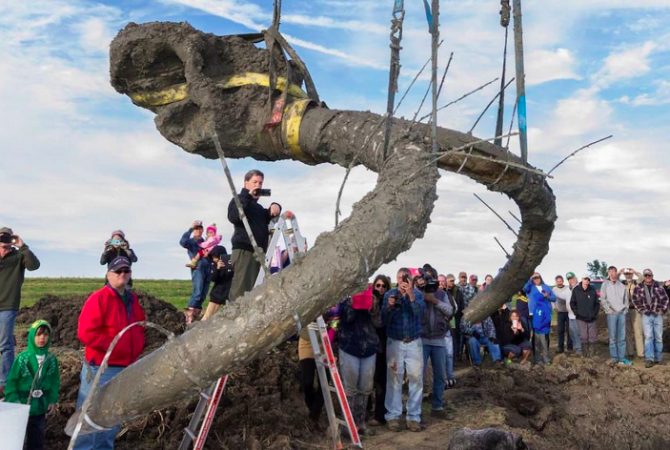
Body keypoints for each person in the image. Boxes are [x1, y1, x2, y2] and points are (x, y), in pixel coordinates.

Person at [73, 256, 145, 450]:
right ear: (108, 274)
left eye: (126, 271)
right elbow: (86, 332)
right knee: (90, 414)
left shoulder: (132, 300)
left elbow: (140, 325)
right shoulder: (99, 298)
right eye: (118, 271)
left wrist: (136, 346)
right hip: (101, 368)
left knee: (113, 416)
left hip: (126, 367)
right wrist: (113, 345)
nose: (122, 274)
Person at [4, 320, 59, 450]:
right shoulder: (23, 358)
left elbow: (54, 381)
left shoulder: (51, 359)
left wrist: (52, 400)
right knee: (17, 439)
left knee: (37, 439)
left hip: (40, 408)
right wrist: (14, 400)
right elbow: (12, 381)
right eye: (38, 334)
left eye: (46, 335)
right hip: (22, 407)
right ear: (32, 336)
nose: (42, 338)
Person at [382, 268, 425, 432]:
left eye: (405, 278)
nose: (402, 281)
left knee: (416, 379)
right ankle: (393, 416)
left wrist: (411, 295)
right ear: (396, 279)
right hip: (395, 342)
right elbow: (384, 320)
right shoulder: (390, 295)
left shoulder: (417, 294)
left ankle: (413, 417)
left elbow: (420, 313)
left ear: (411, 279)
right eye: (400, 278)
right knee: (394, 380)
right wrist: (390, 307)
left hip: (414, 342)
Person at [228, 170, 281, 301]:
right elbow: (234, 216)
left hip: (258, 252)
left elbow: (265, 217)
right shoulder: (239, 199)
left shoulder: (256, 207)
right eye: (254, 182)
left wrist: (275, 207)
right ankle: (234, 318)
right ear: (246, 184)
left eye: (260, 183)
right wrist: (247, 196)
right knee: (242, 291)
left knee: (254, 290)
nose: (258, 185)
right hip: (245, 250)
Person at [0, 227, 40, 392]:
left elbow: (34, 266)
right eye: (2, 237)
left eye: (7, 238)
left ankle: (5, 381)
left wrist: (23, 246)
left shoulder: (18, 255)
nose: (4, 241)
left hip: (8, 304)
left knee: (5, 344)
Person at [338, 290, 379, 437]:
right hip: (350, 346)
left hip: (369, 347)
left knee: (366, 388)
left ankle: (360, 423)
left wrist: (373, 308)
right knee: (350, 389)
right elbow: (345, 319)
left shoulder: (372, 297)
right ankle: (347, 426)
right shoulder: (344, 297)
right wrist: (353, 304)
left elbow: (378, 323)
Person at [418, 267, 455, 420]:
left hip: (439, 339)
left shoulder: (442, 294)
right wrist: (420, 293)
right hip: (422, 339)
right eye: (426, 278)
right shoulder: (418, 292)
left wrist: (434, 300)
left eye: (431, 277)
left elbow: (450, 311)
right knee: (418, 376)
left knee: (440, 375)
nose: (429, 281)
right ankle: (416, 410)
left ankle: (437, 407)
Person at [632, 269, 670, 368]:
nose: (648, 277)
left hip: (658, 315)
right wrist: (642, 310)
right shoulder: (638, 288)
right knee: (648, 337)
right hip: (646, 316)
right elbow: (635, 300)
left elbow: (666, 300)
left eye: (649, 275)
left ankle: (658, 358)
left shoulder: (659, 287)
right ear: (644, 276)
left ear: (652, 276)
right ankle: (649, 359)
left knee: (658, 338)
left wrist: (662, 311)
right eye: (646, 275)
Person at [368, 274, 391, 426]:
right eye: (378, 285)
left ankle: (379, 414)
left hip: (383, 346)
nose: (381, 288)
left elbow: (382, 324)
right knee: (368, 381)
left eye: (383, 286)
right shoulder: (369, 301)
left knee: (381, 381)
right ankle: (367, 410)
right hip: (369, 344)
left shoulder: (389, 303)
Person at [180, 221, 212, 324]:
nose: (198, 230)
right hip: (198, 268)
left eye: (200, 228)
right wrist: (190, 228)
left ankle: (196, 316)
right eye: (196, 229)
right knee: (197, 292)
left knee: (203, 294)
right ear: (193, 230)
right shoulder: (191, 242)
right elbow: (182, 242)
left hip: (208, 268)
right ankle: (189, 316)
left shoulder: (205, 242)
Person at [600, 266, 632, 365]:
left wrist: (625, 310)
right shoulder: (605, 284)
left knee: (621, 338)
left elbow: (626, 299)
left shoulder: (621, 285)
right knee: (613, 338)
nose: (612, 273)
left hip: (621, 314)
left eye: (614, 271)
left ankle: (622, 358)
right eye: (610, 272)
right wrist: (608, 310)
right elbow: (603, 298)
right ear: (609, 273)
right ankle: (614, 358)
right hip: (612, 315)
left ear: (616, 273)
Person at [523, 273, 556, 365]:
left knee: (545, 335)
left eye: (538, 277)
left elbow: (554, 298)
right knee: (536, 336)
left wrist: (547, 297)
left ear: (541, 278)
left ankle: (545, 355)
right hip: (534, 313)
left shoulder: (546, 287)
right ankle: (536, 356)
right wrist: (530, 279)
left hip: (545, 313)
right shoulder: (530, 287)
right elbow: (524, 289)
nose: (537, 279)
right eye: (534, 278)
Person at [201, 246, 234, 321]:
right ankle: (198, 331)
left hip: (229, 294)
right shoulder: (213, 265)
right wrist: (218, 269)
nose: (214, 259)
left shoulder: (231, 262)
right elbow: (213, 278)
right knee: (207, 317)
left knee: (230, 317)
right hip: (217, 294)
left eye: (216, 257)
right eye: (213, 257)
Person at [570, 275, 599, 358]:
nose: (587, 281)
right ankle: (585, 355)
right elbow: (572, 303)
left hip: (591, 318)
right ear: (582, 280)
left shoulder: (592, 290)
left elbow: (596, 303)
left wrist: (594, 313)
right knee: (583, 336)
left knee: (592, 336)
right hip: (581, 318)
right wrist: (576, 312)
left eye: (588, 279)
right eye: (585, 279)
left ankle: (592, 354)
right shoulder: (576, 290)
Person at [442, 274, 462, 386]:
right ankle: (443, 378)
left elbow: (455, 307)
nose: (441, 284)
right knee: (442, 355)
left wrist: (448, 315)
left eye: (443, 282)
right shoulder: (432, 295)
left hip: (447, 328)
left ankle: (450, 376)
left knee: (449, 354)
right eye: (439, 282)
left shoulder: (448, 295)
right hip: (437, 331)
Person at [556, 272, 582, 356]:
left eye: (572, 278)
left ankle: (580, 350)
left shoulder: (579, 288)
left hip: (578, 316)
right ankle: (577, 349)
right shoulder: (569, 289)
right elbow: (560, 295)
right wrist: (549, 293)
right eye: (569, 279)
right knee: (573, 333)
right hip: (570, 315)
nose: (571, 280)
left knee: (578, 333)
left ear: (576, 278)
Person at [623, 268, 645, 359]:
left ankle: (641, 353)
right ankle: (630, 352)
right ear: (624, 275)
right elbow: (609, 280)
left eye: (630, 274)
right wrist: (619, 272)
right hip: (625, 310)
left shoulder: (637, 283)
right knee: (627, 333)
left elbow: (643, 278)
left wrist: (635, 272)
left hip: (636, 310)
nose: (628, 275)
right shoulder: (621, 284)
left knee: (638, 332)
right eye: (626, 274)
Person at [552, 275, 573, 354]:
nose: (559, 283)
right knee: (560, 330)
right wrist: (554, 307)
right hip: (560, 312)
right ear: (556, 282)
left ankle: (570, 347)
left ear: (563, 281)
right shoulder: (554, 289)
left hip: (568, 312)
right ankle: (560, 347)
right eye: (558, 281)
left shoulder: (567, 288)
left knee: (569, 330)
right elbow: (552, 299)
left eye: (560, 281)